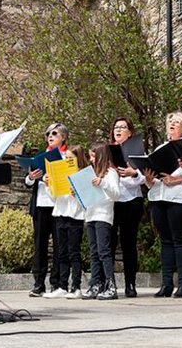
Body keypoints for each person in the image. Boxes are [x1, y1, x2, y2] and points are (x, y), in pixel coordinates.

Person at [144, 112, 182, 298]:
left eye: (176, 122)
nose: (171, 124)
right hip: (158, 197)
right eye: (169, 122)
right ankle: (166, 283)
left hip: (179, 198)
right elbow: (153, 179)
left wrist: (175, 179)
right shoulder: (161, 147)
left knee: (179, 239)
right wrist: (148, 179)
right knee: (165, 241)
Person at [24, 123, 66, 297]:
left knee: (59, 246)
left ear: (63, 137)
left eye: (54, 133)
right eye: (48, 133)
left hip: (59, 205)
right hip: (41, 205)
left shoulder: (67, 156)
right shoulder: (40, 157)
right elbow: (27, 183)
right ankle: (38, 283)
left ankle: (56, 283)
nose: (50, 136)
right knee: (40, 245)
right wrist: (31, 178)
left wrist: (54, 179)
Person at [44, 144, 88, 299]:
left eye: (70, 158)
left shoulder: (84, 175)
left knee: (73, 252)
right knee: (61, 252)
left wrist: (77, 194)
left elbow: (87, 201)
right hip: (60, 214)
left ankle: (76, 287)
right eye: (66, 157)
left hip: (75, 216)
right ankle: (62, 285)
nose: (67, 160)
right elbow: (54, 198)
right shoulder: (62, 173)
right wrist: (49, 185)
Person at [110, 117, 146, 298]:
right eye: (116, 127)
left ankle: (130, 284)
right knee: (108, 244)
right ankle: (108, 284)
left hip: (131, 201)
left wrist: (132, 173)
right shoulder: (108, 150)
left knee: (128, 244)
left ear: (130, 132)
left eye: (123, 127)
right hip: (112, 202)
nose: (118, 130)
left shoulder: (137, 151)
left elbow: (144, 178)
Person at [83, 141, 121, 300]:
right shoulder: (93, 173)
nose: (91, 159)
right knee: (94, 252)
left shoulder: (110, 173)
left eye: (93, 156)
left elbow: (116, 194)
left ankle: (111, 285)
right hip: (91, 215)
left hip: (103, 215)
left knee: (104, 251)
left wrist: (103, 183)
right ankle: (95, 284)